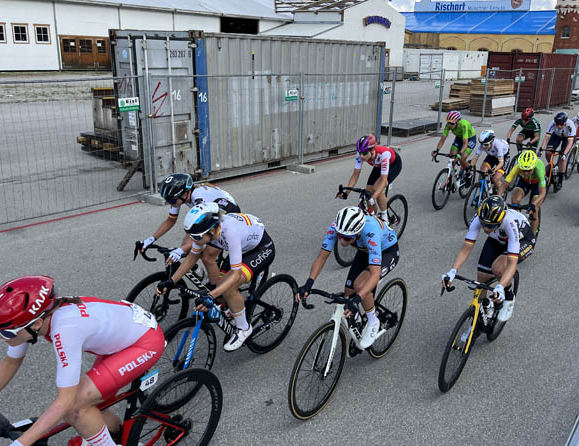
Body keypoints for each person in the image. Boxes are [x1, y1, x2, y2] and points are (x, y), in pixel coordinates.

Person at [0, 276, 164, 446]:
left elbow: (65, 401)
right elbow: (10, 363)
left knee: (75, 407)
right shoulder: (35, 319)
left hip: (144, 342)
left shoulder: (65, 329)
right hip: (120, 338)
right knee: (90, 403)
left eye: (6, 333)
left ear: (36, 324)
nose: (0, 337)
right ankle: (118, 438)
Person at [157, 202, 275, 351]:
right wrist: (171, 281)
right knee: (220, 285)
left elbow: (235, 274)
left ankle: (244, 328)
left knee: (229, 287)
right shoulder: (210, 229)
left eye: (196, 236)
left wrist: (211, 296)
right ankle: (235, 305)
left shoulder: (230, 233)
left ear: (212, 231)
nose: (193, 240)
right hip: (242, 245)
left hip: (260, 248)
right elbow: (192, 257)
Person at [297, 207, 400, 349]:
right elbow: (322, 257)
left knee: (360, 287)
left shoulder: (371, 232)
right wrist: (309, 283)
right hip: (364, 251)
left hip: (386, 251)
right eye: (339, 235)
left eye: (346, 238)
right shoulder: (337, 226)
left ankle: (373, 320)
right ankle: (358, 321)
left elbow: (375, 274)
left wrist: (358, 299)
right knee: (347, 292)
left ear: (357, 232)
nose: (341, 240)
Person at [442, 195, 535, 324]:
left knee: (498, 267)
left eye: (490, 226)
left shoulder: (509, 223)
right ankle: (478, 322)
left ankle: (509, 296)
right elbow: (466, 249)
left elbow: (512, 264)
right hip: (497, 238)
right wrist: (453, 270)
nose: (485, 229)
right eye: (484, 224)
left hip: (522, 240)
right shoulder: (479, 218)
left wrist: (501, 286)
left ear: (499, 221)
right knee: (481, 279)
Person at [139, 173, 240, 272]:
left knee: (207, 257)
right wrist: (151, 239)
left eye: (171, 200)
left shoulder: (198, 197)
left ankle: (217, 285)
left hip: (228, 215)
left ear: (184, 194)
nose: (170, 203)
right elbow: (171, 220)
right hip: (212, 213)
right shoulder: (180, 197)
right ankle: (197, 271)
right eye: (167, 199)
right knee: (186, 243)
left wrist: (180, 250)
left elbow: (204, 231)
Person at [341, 134, 402, 225]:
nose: (361, 156)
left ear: (372, 150)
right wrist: (346, 193)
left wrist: (374, 197)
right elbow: (355, 175)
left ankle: (385, 219)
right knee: (368, 192)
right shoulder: (361, 154)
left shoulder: (384, 154)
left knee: (377, 189)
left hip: (393, 165)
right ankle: (374, 217)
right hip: (378, 165)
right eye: (359, 152)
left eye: (364, 153)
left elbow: (384, 181)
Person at [498, 150, 546, 235]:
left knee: (534, 210)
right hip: (524, 182)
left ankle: (532, 237)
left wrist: (533, 205)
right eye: (523, 170)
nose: (526, 172)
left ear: (533, 166)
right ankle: (517, 222)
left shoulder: (539, 168)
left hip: (537, 184)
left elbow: (542, 193)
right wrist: (497, 199)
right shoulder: (517, 167)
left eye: (529, 170)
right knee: (515, 201)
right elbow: (504, 185)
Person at [431, 111, 477, 182]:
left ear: (457, 121)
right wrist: (437, 150)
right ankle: (452, 175)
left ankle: (468, 172)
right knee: (452, 156)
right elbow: (443, 139)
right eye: (448, 122)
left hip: (470, 139)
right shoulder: (448, 125)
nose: (450, 125)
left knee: (462, 159)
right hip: (459, 138)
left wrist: (460, 153)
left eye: (452, 123)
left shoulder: (463, 125)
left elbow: (465, 143)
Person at [539, 111, 575, 190]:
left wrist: (565, 154)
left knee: (562, 159)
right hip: (556, 135)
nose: (559, 126)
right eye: (557, 124)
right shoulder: (552, 123)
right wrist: (541, 149)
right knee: (548, 152)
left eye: (561, 124)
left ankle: (560, 180)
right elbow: (547, 138)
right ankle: (551, 166)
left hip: (567, 138)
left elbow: (570, 143)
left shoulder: (570, 125)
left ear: (565, 122)